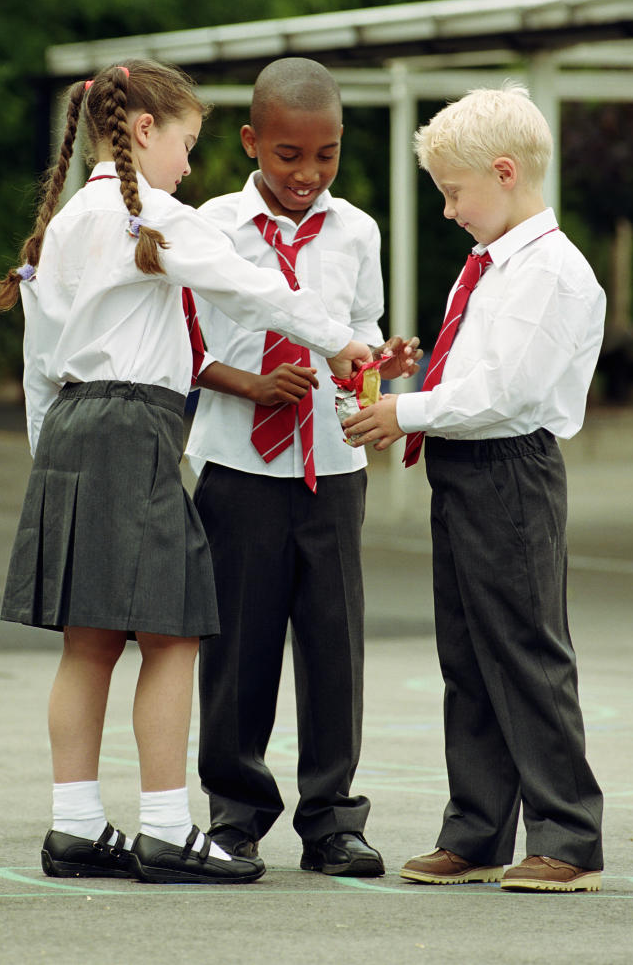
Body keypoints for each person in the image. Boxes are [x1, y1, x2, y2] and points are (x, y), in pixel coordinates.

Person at [0, 59, 371, 885]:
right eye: (187, 143)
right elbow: (252, 288)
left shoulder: (62, 226)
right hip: (134, 426)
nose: (190, 165)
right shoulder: (153, 218)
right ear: (142, 131)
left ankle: (76, 827)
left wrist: (48, 457)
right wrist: (340, 340)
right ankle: (167, 827)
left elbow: (38, 360)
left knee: (89, 643)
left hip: (69, 429)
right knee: (173, 634)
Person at [344, 83, 605, 893]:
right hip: (466, 468)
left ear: (502, 173)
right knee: (467, 654)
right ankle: (478, 829)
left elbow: (507, 392)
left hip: (510, 471)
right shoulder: (491, 266)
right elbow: (480, 375)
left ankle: (568, 837)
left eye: (454, 193)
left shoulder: (548, 272)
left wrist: (406, 409)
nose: (450, 210)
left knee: (526, 650)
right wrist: (418, 384)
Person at [185, 57, 420, 876]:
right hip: (237, 467)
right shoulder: (209, 227)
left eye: (325, 156)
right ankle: (236, 814)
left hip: (330, 465)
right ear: (251, 141)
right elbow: (181, 347)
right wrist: (250, 384)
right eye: (288, 155)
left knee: (333, 645)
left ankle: (332, 821)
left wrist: (380, 364)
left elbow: (358, 332)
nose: (306, 175)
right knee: (238, 647)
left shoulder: (356, 230)